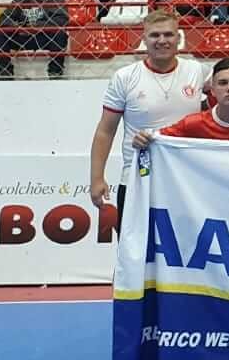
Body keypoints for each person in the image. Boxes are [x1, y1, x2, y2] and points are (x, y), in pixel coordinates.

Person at [88, 11, 210, 217]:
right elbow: (105, 132)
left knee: (184, 247)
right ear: (144, 39)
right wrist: (96, 178)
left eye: (168, 35)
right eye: (155, 35)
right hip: (137, 180)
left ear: (178, 38)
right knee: (134, 247)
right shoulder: (124, 77)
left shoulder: (199, 72)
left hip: (186, 181)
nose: (162, 41)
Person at [133, 58, 229, 143]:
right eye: (223, 83)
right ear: (212, 91)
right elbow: (155, 139)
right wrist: (142, 139)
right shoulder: (193, 124)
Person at [0, 0, 68, 80]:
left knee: (61, 34)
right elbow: (3, 18)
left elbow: (62, 19)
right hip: (23, 35)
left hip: (45, 36)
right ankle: (6, 70)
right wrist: (18, 28)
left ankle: (55, 70)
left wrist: (38, 27)